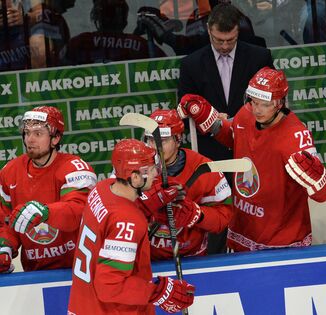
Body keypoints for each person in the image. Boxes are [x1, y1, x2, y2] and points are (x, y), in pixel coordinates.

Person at [178, 66, 326, 252]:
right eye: (254, 102)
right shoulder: (246, 114)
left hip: (281, 239)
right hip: (242, 229)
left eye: (265, 104)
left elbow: (324, 194)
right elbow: (234, 136)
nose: (257, 110)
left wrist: (319, 178)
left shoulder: (296, 137)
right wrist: (212, 122)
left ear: (280, 103)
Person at [177, 2, 272, 254]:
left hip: (251, 152)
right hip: (212, 156)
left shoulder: (259, 56)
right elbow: (183, 110)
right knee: (217, 224)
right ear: (209, 31)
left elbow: (271, 103)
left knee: (254, 217)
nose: (225, 46)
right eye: (219, 40)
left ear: (238, 32)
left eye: (230, 39)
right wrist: (206, 116)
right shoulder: (191, 65)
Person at [68, 139, 195, 314]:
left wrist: (149, 204)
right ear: (135, 177)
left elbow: (113, 216)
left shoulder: (101, 189)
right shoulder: (127, 222)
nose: (154, 175)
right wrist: (158, 291)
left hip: (82, 305)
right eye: (149, 171)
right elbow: (110, 286)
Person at [0, 106, 96, 273]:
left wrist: (46, 212)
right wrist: (5, 246)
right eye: (27, 132)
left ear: (55, 138)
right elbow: (6, 220)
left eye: (38, 133)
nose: (30, 139)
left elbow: (79, 211)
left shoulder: (75, 169)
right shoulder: (10, 171)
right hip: (34, 272)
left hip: (78, 272)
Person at [139, 109, 233, 259]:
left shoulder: (203, 168)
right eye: (150, 139)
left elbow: (224, 217)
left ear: (178, 139)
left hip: (192, 257)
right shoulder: (135, 165)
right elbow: (118, 210)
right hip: (147, 259)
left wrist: (196, 214)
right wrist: (144, 208)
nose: (154, 146)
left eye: (162, 141)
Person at [60, 0, 166, 65]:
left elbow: (56, 68)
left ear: (97, 17)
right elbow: (165, 66)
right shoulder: (141, 44)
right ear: (124, 19)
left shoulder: (79, 42)